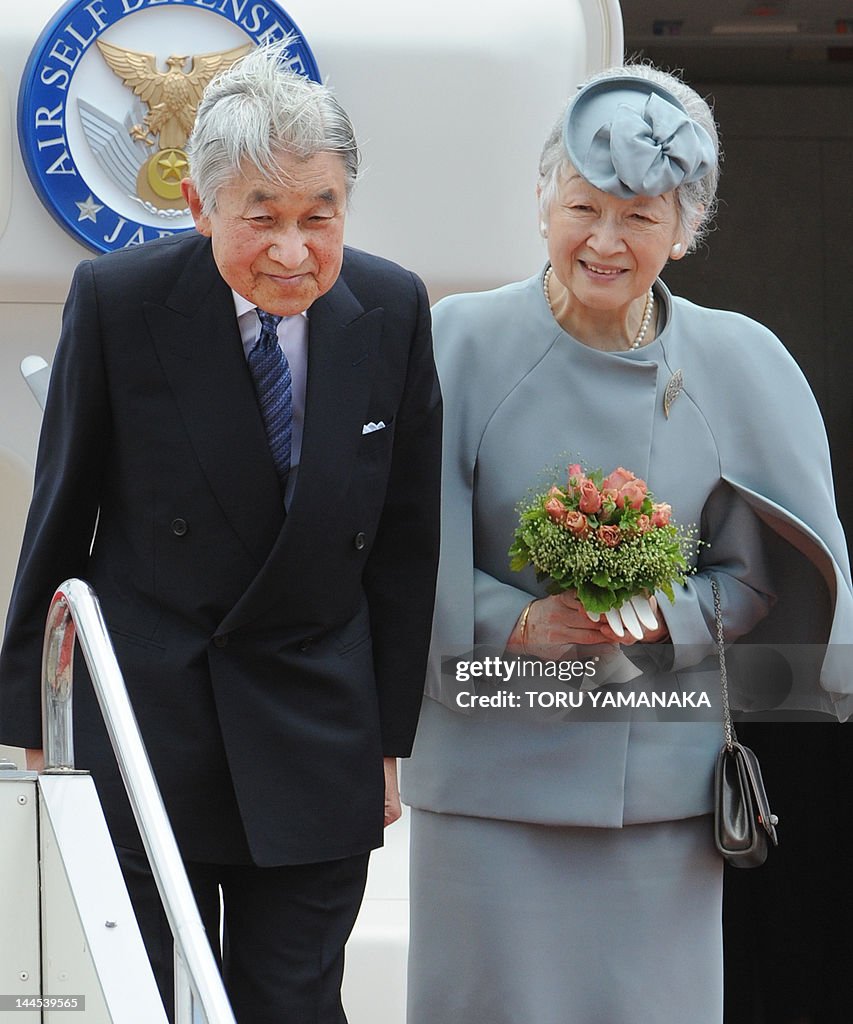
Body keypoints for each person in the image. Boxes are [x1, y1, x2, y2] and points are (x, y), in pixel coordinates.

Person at [401, 63, 853, 1024]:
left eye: (641, 218)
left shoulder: (737, 361)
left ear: (684, 232)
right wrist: (519, 618)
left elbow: (758, 575)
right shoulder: (457, 341)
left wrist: (651, 613)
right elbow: (404, 549)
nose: (604, 242)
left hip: (657, 795)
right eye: (583, 207)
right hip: (490, 775)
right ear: (540, 202)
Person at [0, 44, 441, 1023]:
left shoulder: (393, 308)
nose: (294, 250)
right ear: (200, 210)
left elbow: (406, 545)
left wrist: (387, 742)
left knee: (293, 1001)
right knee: (153, 998)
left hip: (321, 725)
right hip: (160, 725)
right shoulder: (120, 303)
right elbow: (61, 518)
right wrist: (30, 729)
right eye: (263, 218)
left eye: (318, 216)